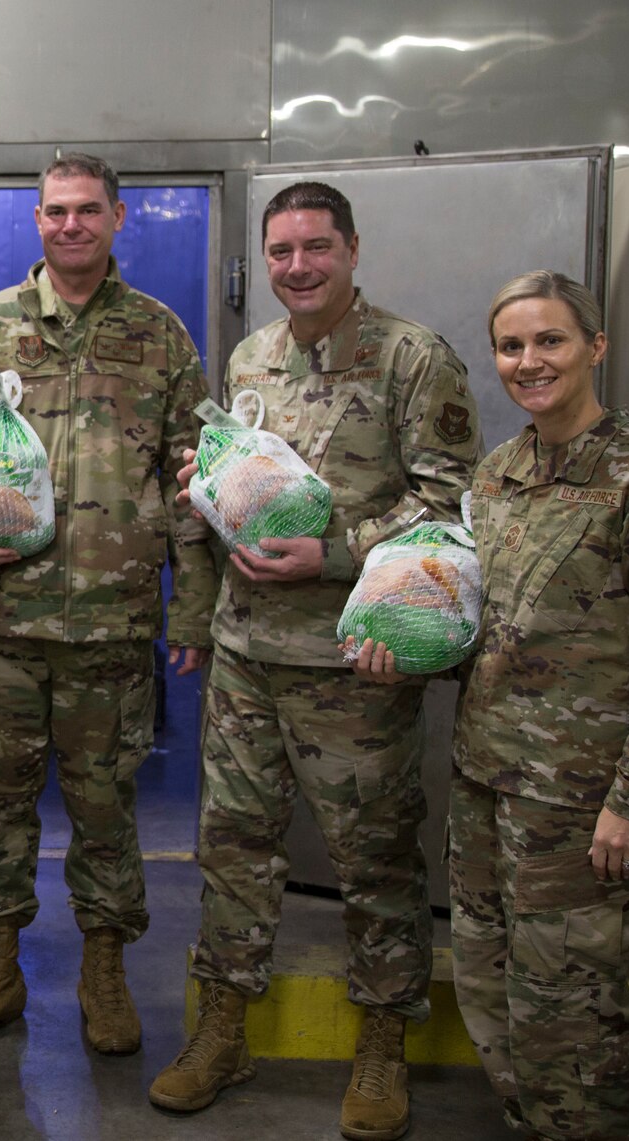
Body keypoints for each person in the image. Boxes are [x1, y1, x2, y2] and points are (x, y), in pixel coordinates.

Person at [354, 270, 629, 1141]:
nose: (530, 361)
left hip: (582, 807)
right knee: (493, 997)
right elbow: (483, 629)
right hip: (487, 785)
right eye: (513, 345)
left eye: (551, 340)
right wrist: (402, 658)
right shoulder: (500, 474)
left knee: (572, 1023)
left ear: (596, 347)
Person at [148, 182, 480, 1137]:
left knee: (374, 858)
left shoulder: (413, 359)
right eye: (282, 250)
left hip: (357, 662)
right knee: (234, 851)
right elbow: (225, 491)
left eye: (316, 247)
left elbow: (453, 499)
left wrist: (331, 553)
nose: (298, 266)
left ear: (352, 249)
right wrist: (201, 585)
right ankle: (223, 1029)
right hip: (249, 654)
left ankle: (382, 1045)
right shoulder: (254, 355)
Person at [0, 152, 217, 1055]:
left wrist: (189, 612)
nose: (71, 225)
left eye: (88, 211)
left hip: (113, 630)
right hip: (0, 620)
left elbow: (199, 479)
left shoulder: (160, 337)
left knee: (107, 807)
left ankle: (104, 973)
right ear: (36, 221)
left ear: (120, 217)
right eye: (55, 212)